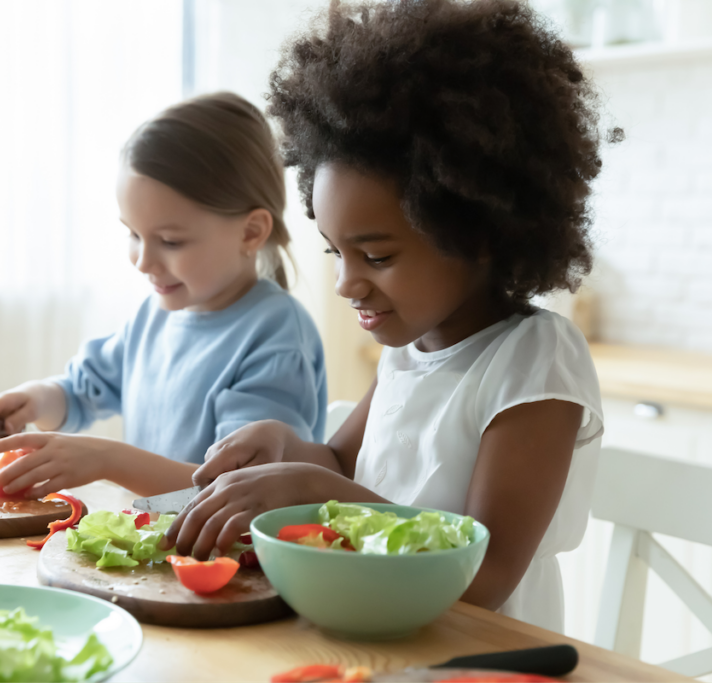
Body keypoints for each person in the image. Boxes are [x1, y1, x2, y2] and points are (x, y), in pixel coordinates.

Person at [162, 0, 611, 633]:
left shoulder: (533, 360)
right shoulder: (411, 348)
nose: (347, 282)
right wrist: (289, 450)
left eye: (375, 254)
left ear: (478, 233)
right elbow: (342, 466)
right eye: (335, 252)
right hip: (377, 636)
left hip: (481, 656)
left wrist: (313, 491)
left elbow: (484, 574)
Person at [0, 93, 327, 499]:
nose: (143, 261)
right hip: (151, 549)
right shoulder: (154, 315)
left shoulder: (275, 335)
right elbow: (81, 390)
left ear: (250, 233)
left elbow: (240, 491)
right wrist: (36, 400)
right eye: (133, 234)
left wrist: (107, 460)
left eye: (170, 241)